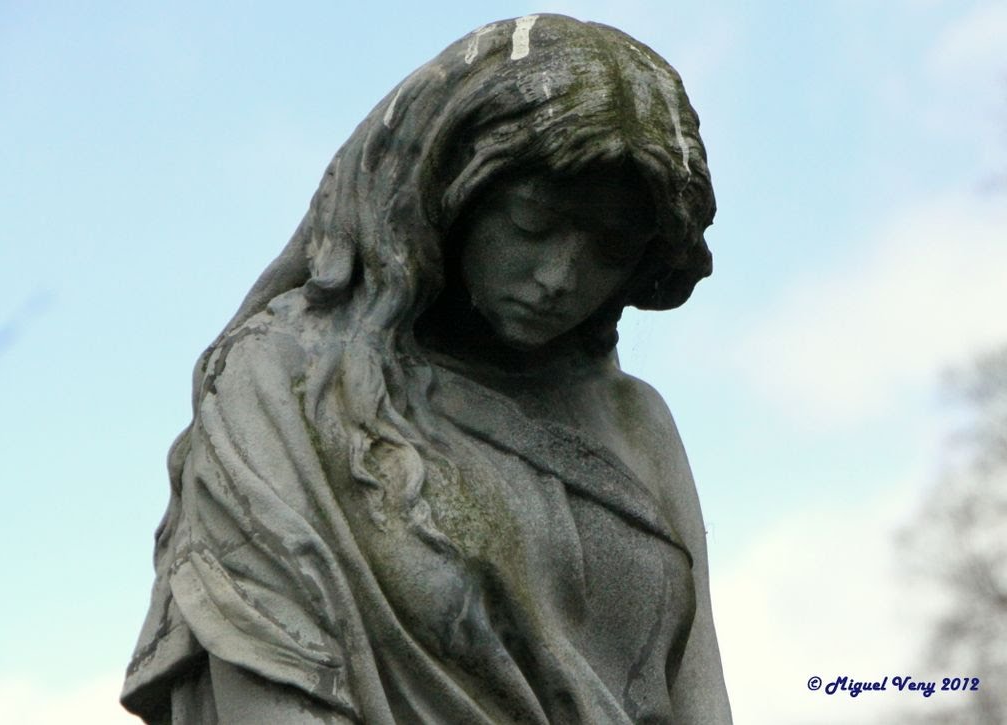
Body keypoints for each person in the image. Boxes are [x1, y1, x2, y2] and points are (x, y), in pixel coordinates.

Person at [122, 14, 731, 724]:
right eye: (533, 223)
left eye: (610, 247)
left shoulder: (638, 424)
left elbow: (701, 696)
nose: (560, 275)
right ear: (451, 193)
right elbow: (270, 674)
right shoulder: (284, 378)